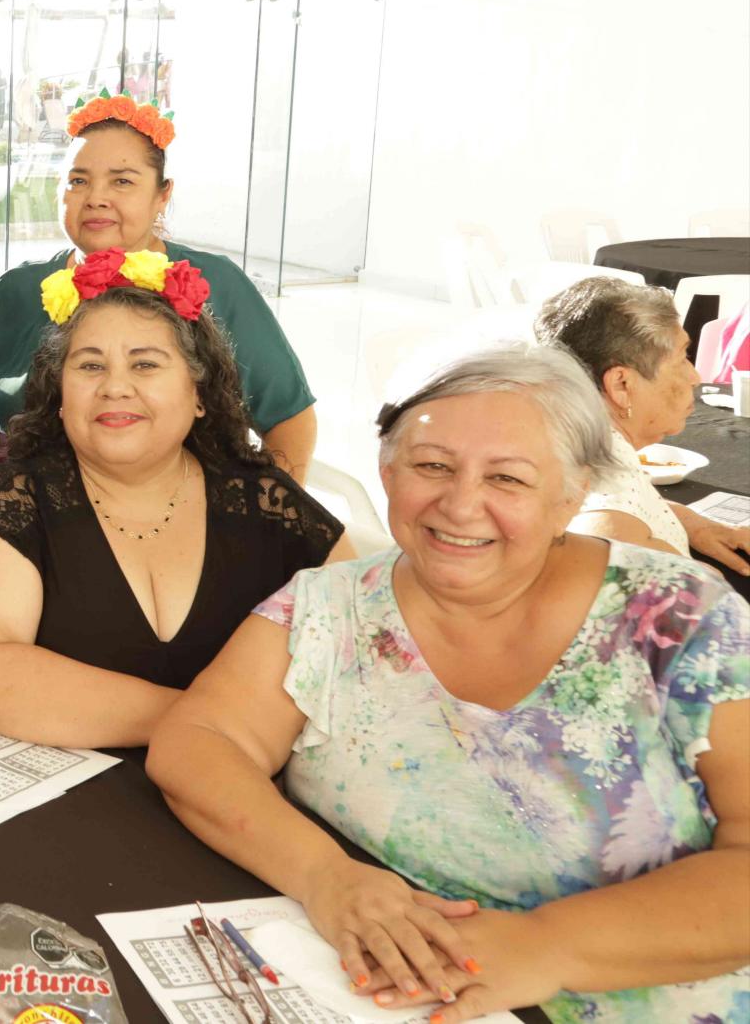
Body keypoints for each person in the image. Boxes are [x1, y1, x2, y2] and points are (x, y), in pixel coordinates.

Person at [147, 346, 750, 1023]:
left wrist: (545, 945)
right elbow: (196, 742)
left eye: (509, 479)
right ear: (387, 472)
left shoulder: (681, 617)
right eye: (432, 466)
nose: (461, 504)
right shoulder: (326, 609)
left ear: (571, 494)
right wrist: (325, 874)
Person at [0, 250, 351, 747]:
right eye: (90, 365)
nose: (115, 387)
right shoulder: (21, 497)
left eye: (145, 364)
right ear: (59, 398)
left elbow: (365, 632)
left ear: (199, 391)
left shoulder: (266, 502)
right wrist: (212, 723)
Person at [0, 92, 318, 474]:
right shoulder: (20, 289)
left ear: (163, 194)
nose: (96, 198)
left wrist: (270, 517)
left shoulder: (214, 285)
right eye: (78, 181)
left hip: (180, 517)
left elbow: (290, 418)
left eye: (122, 181)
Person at [535, 275, 750, 575]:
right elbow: (608, 519)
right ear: (621, 385)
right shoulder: (614, 538)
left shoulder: (572, 442)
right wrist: (700, 584)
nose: (696, 377)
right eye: (682, 358)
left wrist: (690, 522)